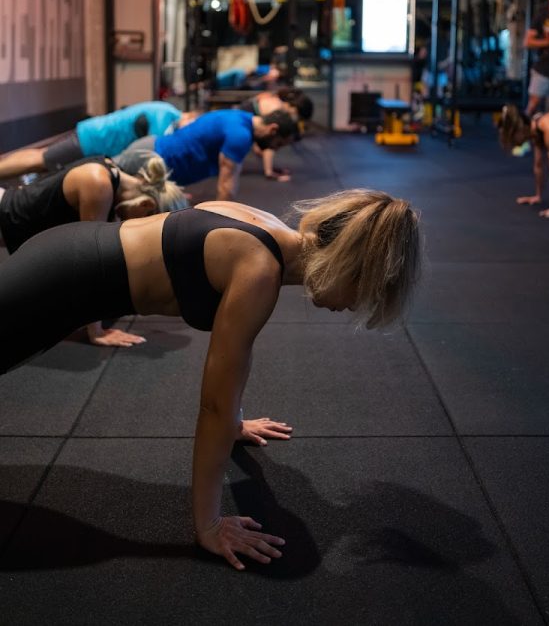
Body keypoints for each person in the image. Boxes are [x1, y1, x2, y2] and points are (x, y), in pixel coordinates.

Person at [0, 188, 421, 569]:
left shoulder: (265, 227)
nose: (356, 306)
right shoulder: (259, 270)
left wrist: (235, 422)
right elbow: (214, 404)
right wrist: (210, 524)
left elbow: (236, 358)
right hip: (57, 285)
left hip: (64, 249)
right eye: (365, 289)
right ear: (347, 262)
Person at [0, 155, 188, 345]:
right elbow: (89, 264)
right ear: (146, 205)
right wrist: (97, 331)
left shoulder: (110, 170)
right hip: (6, 216)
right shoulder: (99, 185)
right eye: (146, 222)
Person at [115, 108, 300, 199]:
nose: (274, 149)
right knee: (99, 185)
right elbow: (226, 189)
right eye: (279, 144)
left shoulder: (240, 118)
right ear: (273, 129)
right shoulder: (240, 135)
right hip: (147, 160)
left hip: (150, 154)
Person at [0, 101, 198, 181]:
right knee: (41, 159)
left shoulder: (170, 118)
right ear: (190, 116)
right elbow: (152, 153)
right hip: (94, 138)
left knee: (44, 163)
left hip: (99, 143)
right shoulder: (166, 115)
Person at [239, 88, 314, 182]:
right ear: (294, 109)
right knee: (272, 139)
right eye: (298, 117)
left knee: (269, 142)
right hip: (240, 123)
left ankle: (270, 169)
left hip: (246, 118)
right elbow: (269, 144)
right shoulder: (276, 110)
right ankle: (269, 172)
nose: (296, 119)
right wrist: (269, 172)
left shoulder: (280, 104)